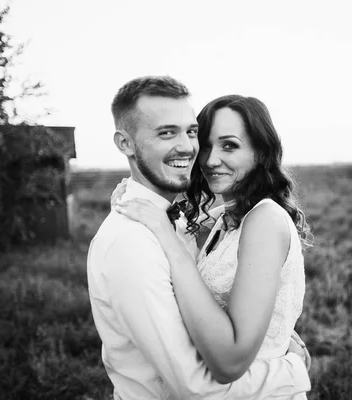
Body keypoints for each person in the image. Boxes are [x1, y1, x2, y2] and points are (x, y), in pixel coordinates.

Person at [87, 76, 311, 400]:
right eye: (205, 142)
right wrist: (291, 370)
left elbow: (225, 356)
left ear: (261, 153)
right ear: (125, 143)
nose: (206, 157)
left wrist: (280, 341)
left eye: (229, 145)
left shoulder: (262, 219)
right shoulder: (215, 221)